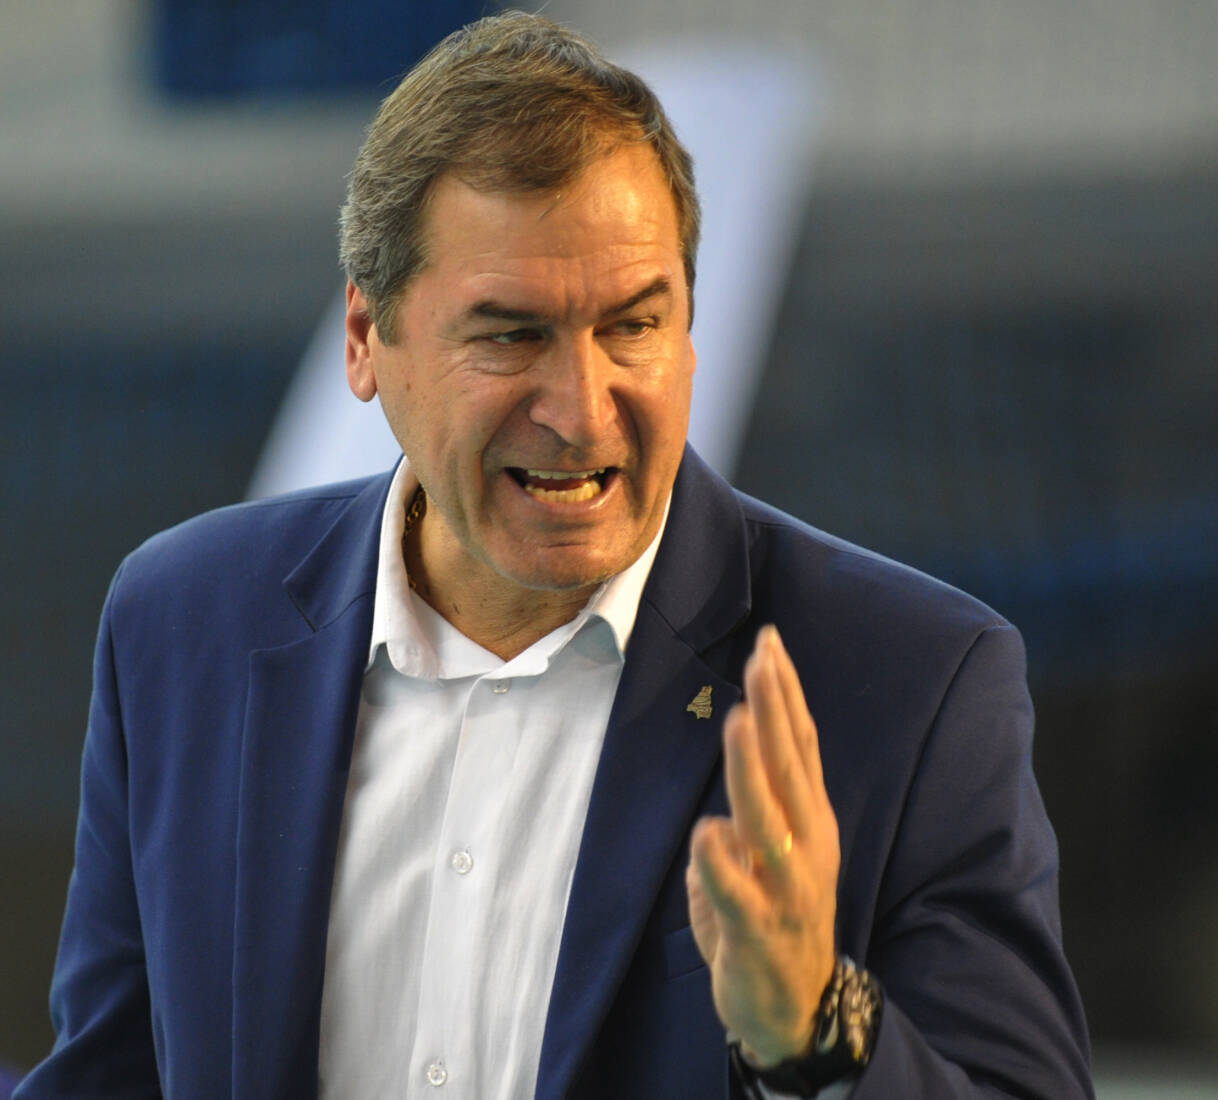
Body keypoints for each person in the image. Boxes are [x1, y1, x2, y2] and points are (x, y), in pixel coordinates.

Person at [18, 12, 1092, 1099]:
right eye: (511, 334)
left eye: (632, 325)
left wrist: (816, 1033)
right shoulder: (183, 624)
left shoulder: (907, 681)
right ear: (366, 341)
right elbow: (111, 1075)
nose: (581, 411)